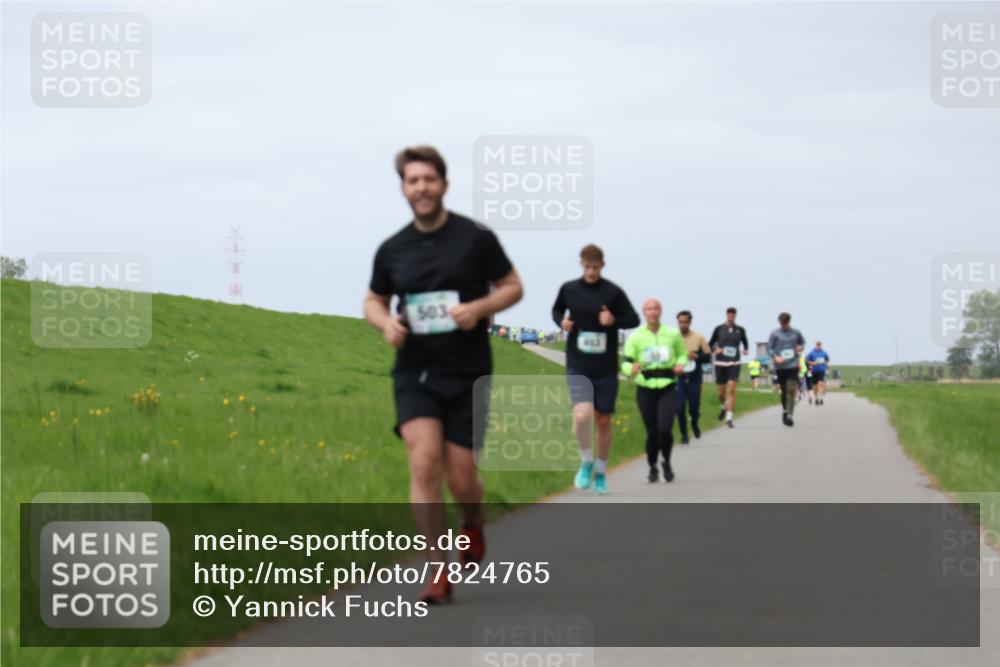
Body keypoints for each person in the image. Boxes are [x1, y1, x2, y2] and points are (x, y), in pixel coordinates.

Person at [364, 146, 523, 604]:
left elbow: (513, 286)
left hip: (468, 370)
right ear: (403, 189)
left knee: (461, 478)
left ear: (444, 185)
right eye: (413, 181)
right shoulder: (392, 249)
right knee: (423, 462)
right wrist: (385, 323)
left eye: (429, 179)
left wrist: (478, 308)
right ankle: (436, 571)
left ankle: (472, 521)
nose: (422, 188)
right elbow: (373, 300)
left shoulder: (475, 238)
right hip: (415, 369)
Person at [552, 244, 639, 495]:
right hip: (578, 364)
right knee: (581, 416)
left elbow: (633, 318)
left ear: (603, 265)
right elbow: (557, 310)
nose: (591, 271)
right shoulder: (569, 289)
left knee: (603, 421)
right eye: (587, 267)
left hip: (605, 367)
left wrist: (614, 321)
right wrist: (562, 322)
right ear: (581, 264)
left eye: (595, 267)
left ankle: (601, 472)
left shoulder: (613, 292)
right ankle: (586, 460)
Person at [622, 299, 688, 482]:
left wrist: (681, 364)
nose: (652, 312)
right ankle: (652, 467)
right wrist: (631, 369)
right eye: (649, 309)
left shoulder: (672, 334)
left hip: (667, 386)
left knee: (664, 430)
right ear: (644, 312)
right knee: (652, 432)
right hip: (645, 389)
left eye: (656, 308)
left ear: (661, 311)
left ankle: (666, 461)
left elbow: (682, 353)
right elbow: (626, 362)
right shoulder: (636, 337)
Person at [708, 307, 749, 428]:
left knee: (731, 389)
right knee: (721, 393)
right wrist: (716, 350)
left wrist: (746, 350)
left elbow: (745, 342)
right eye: (729, 315)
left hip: (734, 362)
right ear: (726, 315)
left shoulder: (740, 330)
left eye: (733, 315)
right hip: (720, 363)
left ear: (735, 316)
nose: (731, 317)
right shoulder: (719, 329)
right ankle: (723, 406)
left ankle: (729, 418)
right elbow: (710, 344)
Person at [675, 310, 712, 444]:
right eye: (680, 322)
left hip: (695, 379)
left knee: (694, 409)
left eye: (685, 322)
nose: (683, 325)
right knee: (679, 408)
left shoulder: (699, 337)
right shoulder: (673, 337)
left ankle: (694, 422)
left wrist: (697, 356)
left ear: (690, 322)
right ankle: (684, 436)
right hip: (679, 378)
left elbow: (708, 356)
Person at [766, 312, 806, 427]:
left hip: (793, 365)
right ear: (779, 322)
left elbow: (802, 342)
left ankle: (790, 415)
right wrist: (775, 357)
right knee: (784, 391)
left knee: (791, 389)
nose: (784, 325)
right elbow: (769, 348)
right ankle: (785, 410)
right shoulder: (775, 334)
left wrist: (800, 347)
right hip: (780, 366)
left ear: (789, 322)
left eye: (785, 323)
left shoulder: (796, 333)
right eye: (782, 323)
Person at [806, 341, 831, 405]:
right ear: (815, 345)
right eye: (817, 345)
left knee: (821, 383)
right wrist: (812, 363)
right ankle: (816, 397)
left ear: (821, 345)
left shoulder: (824, 353)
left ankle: (821, 398)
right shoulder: (811, 353)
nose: (819, 346)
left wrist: (826, 363)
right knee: (815, 385)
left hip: (821, 370)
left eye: (820, 345)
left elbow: (827, 360)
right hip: (814, 371)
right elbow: (807, 361)